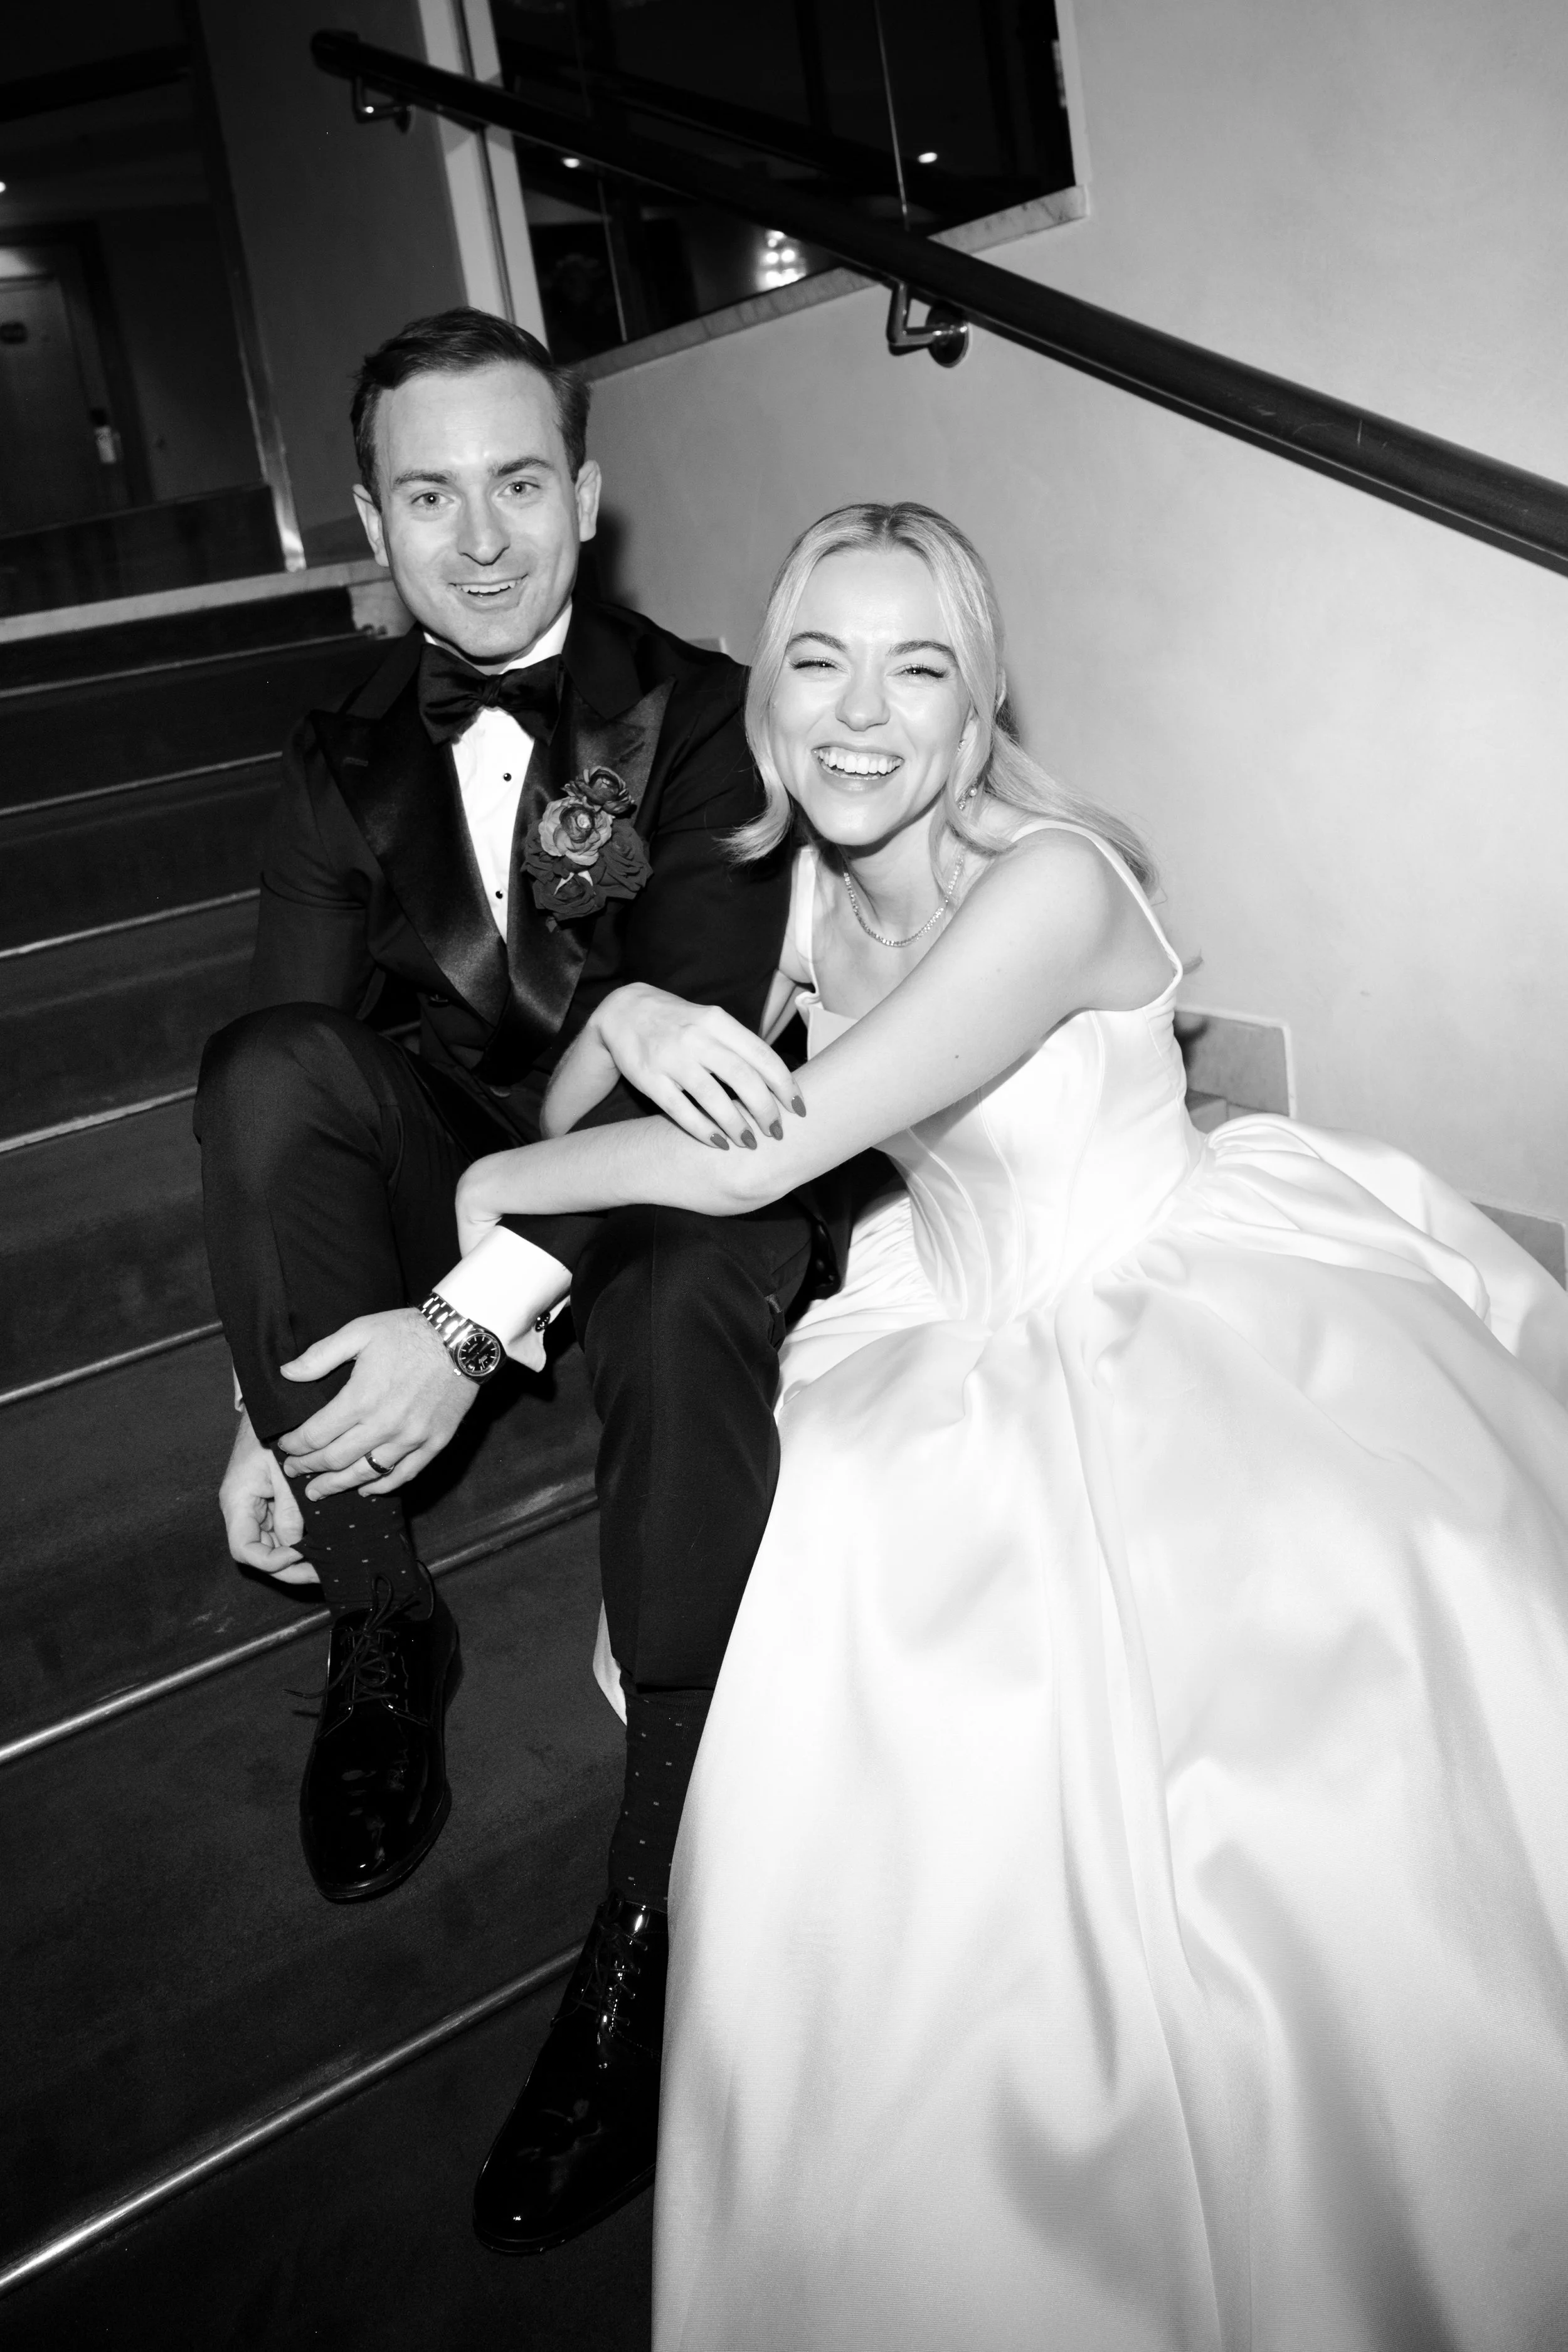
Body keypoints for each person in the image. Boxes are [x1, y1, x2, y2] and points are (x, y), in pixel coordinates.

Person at [454, 500, 1568, 2348]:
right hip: (945, 1306)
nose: (860, 713)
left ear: (978, 712)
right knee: (832, 1628)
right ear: (764, 696)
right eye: (817, 661)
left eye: (919, 669)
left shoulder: (1051, 886)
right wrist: (635, 1009)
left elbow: (761, 1157)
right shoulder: (799, 898)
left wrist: (493, 1185)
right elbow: (608, 1092)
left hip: (1172, 1300)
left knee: (1273, 1767)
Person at [194, 308, 856, 2255]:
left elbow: (700, 1085)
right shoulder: (338, 754)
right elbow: (292, 1074)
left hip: (670, 1180)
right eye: (429, 496)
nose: (477, 540)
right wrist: (261, 1404)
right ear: (371, 522)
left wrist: (464, 1324)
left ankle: (648, 1914)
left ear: (585, 493)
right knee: (262, 1065)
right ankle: (382, 1619)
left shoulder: (716, 713)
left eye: (514, 485)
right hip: (462, 1169)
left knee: (697, 1266)